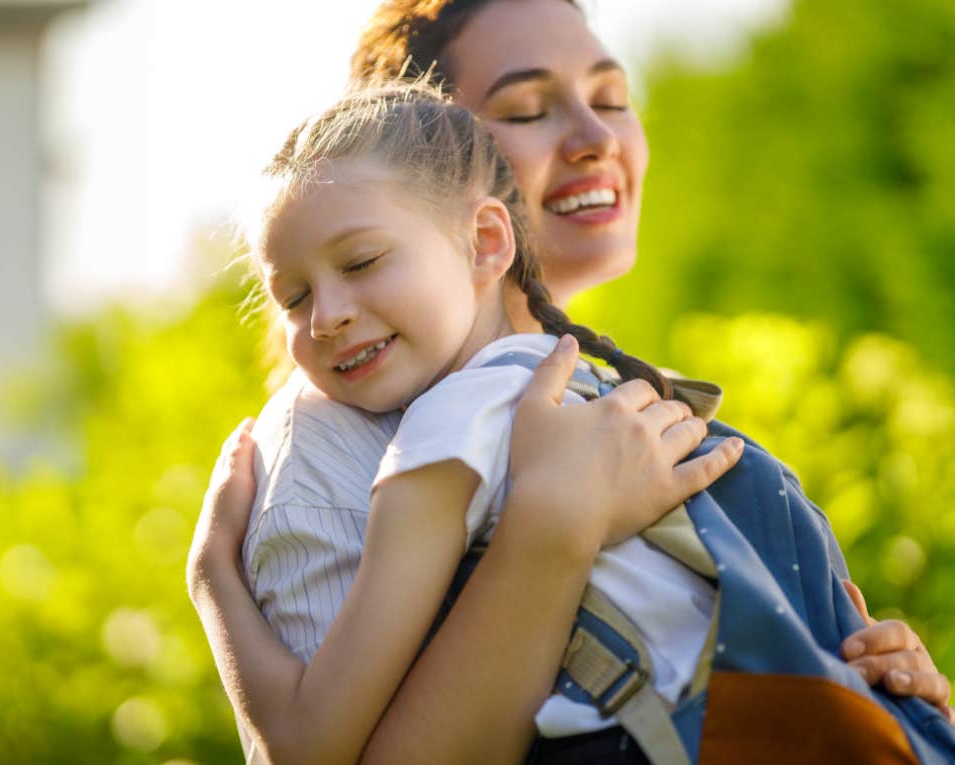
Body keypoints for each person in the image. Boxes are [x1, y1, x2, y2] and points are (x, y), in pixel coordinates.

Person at [188, 1, 952, 762]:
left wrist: (869, 688)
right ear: (426, 143)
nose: (596, 139)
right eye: (527, 109)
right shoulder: (340, 435)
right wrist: (552, 526)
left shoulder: (615, 401)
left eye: (613, 99)